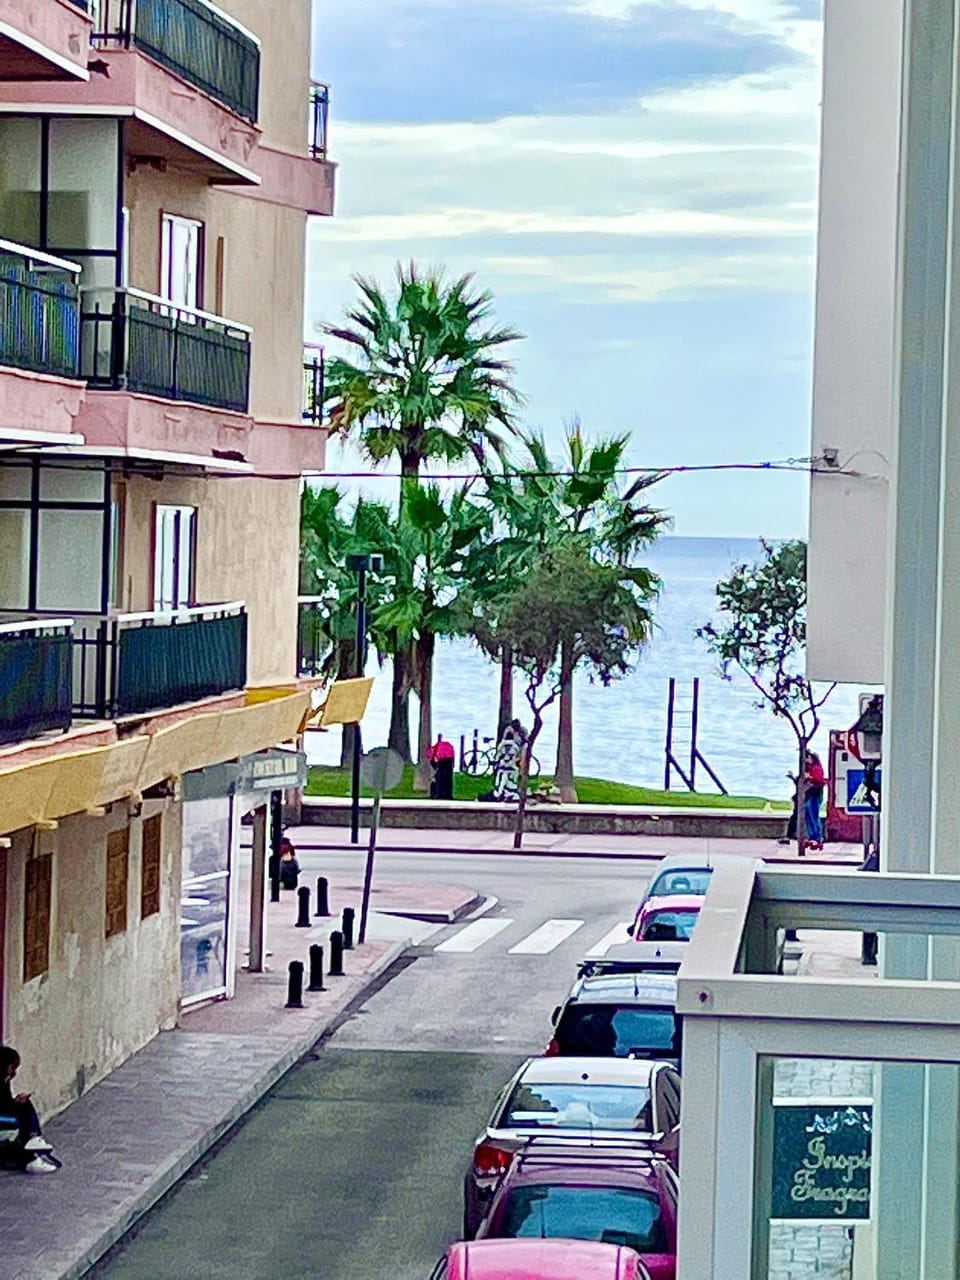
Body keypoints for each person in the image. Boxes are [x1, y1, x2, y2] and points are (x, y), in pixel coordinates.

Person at [0, 1046, 57, 1173]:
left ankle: (32, 1141)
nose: (13, 1072)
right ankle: (31, 1145)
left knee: (24, 1105)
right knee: (22, 1111)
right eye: (12, 1067)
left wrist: (15, 1102)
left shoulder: (5, 1080)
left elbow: (4, 1103)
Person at [802, 751, 826, 852]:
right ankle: (812, 836)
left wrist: (809, 777)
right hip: (811, 795)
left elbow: (818, 780)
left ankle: (817, 837)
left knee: (814, 816)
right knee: (809, 816)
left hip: (815, 795)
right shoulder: (811, 768)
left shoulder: (816, 768)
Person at [427, 734, 455, 800]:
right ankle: (447, 794)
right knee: (448, 778)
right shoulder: (445, 746)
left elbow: (433, 762)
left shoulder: (433, 751)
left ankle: (439, 794)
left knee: (440, 777)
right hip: (448, 758)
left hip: (441, 758)